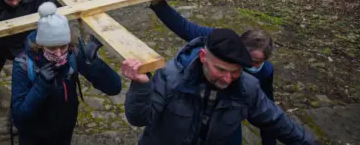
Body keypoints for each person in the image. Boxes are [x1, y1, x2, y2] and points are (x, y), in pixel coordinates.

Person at [122, 28, 315, 145]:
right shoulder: (170, 77)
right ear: (203, 57)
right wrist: (141, 88)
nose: (228, 79)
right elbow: (139, 118)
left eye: (235, 72)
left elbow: (276, 120)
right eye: (221, 70)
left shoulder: (248, 87)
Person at [150, 0, 278, 145]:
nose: (252, 65)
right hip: (198, 107)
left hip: (228, 115)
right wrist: (158, 3)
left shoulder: (265, 71)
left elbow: (268, 108)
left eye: (259, 63)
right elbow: (185, 28)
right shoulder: (220, 41)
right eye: (250, 60)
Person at [11, 2, 122, 144]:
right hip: (33, 137)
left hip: (64, 132)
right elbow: (19, 117)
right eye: (52, 48)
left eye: (63, 46)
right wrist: (41, 85)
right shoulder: (23, 64)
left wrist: (94, 63)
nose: (58, 54)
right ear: (40, 45)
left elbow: (114, 87)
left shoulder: (72, 53)